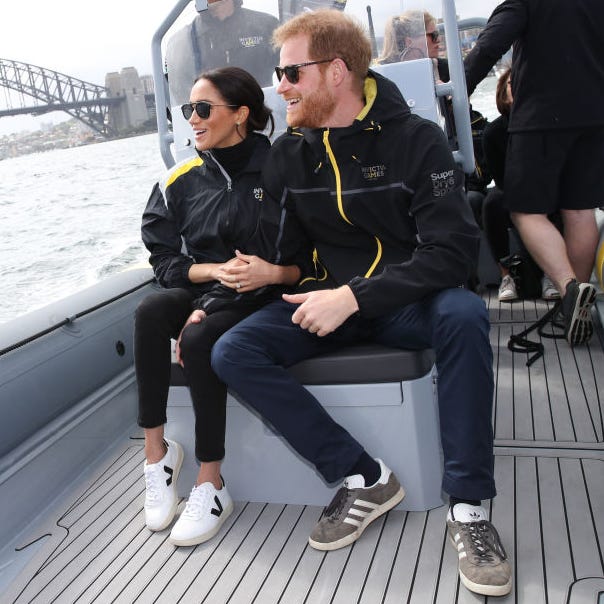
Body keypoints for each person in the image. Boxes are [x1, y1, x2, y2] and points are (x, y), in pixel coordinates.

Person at [212, 9, 511, 597]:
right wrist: (213, 302)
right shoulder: (290, 154)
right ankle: (362, 474)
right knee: (232, 350)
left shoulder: (416, 140)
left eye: (291, 73)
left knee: (465, 314)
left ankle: (469, 510)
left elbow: (450, 255)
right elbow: (280, 257)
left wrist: (352, 296)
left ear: (337, 72)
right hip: (326, 301)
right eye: (279, 74)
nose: (281, 87)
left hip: (402, 303)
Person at [136, 66, 303, 547]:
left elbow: (303, 254)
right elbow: (165, 261)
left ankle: (211, 482)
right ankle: (157, 457)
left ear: (241, 114)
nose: (193, 119)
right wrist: (211, 277)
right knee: (150, 312)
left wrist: (222, 296)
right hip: (212, 280)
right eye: (189, 109)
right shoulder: (180, 179)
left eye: (203, 109)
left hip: (264, 289)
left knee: (200, 334)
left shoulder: (281, 168)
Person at [464, 0, 604, 344]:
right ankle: (573, 308)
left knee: (525, 210)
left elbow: (487, 48)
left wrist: (454, 92)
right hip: (594, 116)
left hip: (541, 118)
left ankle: (570, 289)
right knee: (580, 209)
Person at [165, 0, 279, 104]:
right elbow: (181, 102)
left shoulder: (267, 26)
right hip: (212, 122)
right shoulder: (180, 44)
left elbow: (290, 76)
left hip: (263, 117)